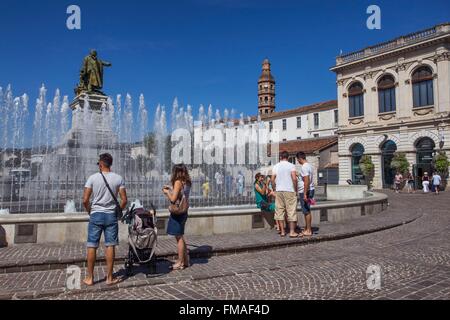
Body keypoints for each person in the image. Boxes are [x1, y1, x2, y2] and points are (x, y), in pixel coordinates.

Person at [82, 153, 127, 286]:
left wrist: (90, 211)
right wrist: (117, 211)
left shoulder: (92, 178)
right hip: (111, 216)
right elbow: (124, 200)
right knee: (110, 245)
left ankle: (90, 278)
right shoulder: (118, 178)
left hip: (96, 214)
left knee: (92, 245)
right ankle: (109, 277)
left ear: (101, 164)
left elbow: (85, 200)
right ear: (110, 163)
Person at [163, 164, 192, 270]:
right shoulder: (187, 182)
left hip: (178, 213)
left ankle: (180, 262)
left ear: (176, 172)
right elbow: (182, 194)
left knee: (178, 237)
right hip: (184, 211)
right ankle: (186, 260)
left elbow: (173, 199)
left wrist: (167, 192)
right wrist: (172, 189)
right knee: (181, 236)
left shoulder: (178, 182)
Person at [271, 151, 299, 238]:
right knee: (291, 211)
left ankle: (282, 232)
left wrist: (274, 188)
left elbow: (272, 179)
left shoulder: (276, 166)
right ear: (288, 157)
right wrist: (295, 189)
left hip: (279, 190)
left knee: (279, 211)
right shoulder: (291, 166)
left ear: (280, 157)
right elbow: (294, 178)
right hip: (289, 190)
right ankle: (292, 232)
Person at [296, 152, 315, 237]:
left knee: (306, 211)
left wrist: (304, 194)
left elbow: (306, 180)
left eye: (297, 160)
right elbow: (306, 178)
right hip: (310, 189)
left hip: (306, 191)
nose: (297, 161)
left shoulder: (304, 167)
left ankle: (308, 230)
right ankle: (308, 228)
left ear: (300, 158)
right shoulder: (309, 166)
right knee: (307, 210)